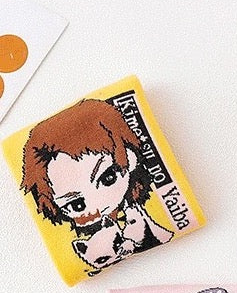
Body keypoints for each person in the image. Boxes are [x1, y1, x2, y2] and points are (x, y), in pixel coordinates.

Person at [21, 98, 173, 271]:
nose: (97, 203)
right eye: (76, 204)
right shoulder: (99, 234)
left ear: (130, 159)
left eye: (108, 177)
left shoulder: (133, 211)